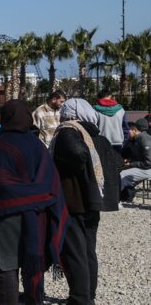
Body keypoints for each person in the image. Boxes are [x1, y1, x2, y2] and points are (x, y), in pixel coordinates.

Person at [0, 99, 68, 305]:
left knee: (8, 268)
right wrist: (36, 196)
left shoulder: (1, 143)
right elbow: (50, 182)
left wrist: (20, 195)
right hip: (36, 215)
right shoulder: (36, 143)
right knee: (32, 263)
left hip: (6, 216)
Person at [51, 98, 121, 304]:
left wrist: (81, 170)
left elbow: (78, 153)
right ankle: (88, 295)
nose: (61, 116)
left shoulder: (68, 132)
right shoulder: (96, 136)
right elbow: (116, 162)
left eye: (64, 111)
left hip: (74, 201)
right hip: (93, 202)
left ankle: (80, 298)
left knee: (75, 251)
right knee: (88, 249)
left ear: (72, 114)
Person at [119, 118, 151, 202]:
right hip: (144, 168)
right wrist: (129, 160)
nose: (127, 132)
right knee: (119, 172)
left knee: (121, 175)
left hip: (148, 169)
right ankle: (124, 197)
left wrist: (131, 164)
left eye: (128, 130)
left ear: (134, 130)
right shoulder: (138, 138)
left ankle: (115, 200)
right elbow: (140, 157)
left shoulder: (144, 139)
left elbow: (148, 163)